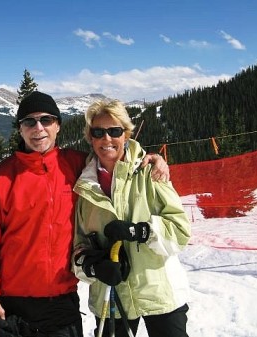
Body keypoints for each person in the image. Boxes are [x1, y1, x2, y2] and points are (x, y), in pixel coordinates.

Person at [0, 91, 170, 337]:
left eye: (46, 120)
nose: (38, 128)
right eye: (29, 122)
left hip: (62, 303)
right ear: (20, 129)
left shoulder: (77, 165)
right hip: (14, 303)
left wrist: (151, 159)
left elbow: (113, 154)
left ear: (58, 126)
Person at [72, 99, 191, 337]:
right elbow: (79, 246)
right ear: (90, 138)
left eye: (114, 131)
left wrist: (142, 232)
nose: (106, 139)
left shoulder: (150, 172)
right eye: (98, 132)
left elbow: (180, 232)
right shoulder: (85, 187)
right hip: (111, 297)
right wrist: (94, 267)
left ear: (126, 134)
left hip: (159, 294)